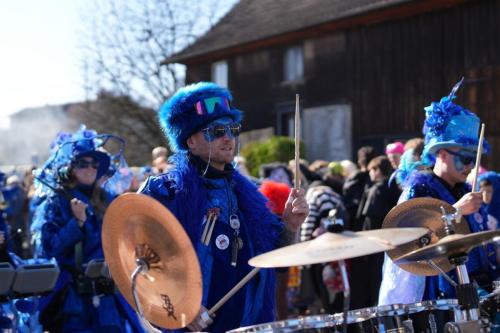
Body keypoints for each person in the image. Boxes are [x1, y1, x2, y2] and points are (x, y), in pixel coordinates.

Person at [139, 82, 308, 332]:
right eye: (216, 131)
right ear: (190, 141)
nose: (228, 138)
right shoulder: (165, 193)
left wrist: (290, 225)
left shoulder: (249, 196)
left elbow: (276, 260)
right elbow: (140, 266)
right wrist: (181, 307)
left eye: (232, 129)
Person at [379, 79, 499, 305]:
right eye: (464, 159)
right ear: (442, 154)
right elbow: (410, 249)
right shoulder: (418, 190)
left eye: (474, 160)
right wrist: (456, 211)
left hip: (475, 293)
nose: (470, 167)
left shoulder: (464, 188)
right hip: (438, 299)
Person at [34, 126, 142, 332]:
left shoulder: (107, 199)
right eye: (83, 163)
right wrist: (77, 223)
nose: (90, 168)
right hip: (74, 301)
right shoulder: (55, 202)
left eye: (95, 164)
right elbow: (49, 249)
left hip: (108, 297)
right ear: (70, 169)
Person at [350, 156, 400, 309]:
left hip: (376, 245)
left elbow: (370, 221)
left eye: (372, 169)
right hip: (393, 242)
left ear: (378, 171)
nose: (370, 173)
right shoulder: (394, 188)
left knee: (374, 283)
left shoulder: (376, 190)